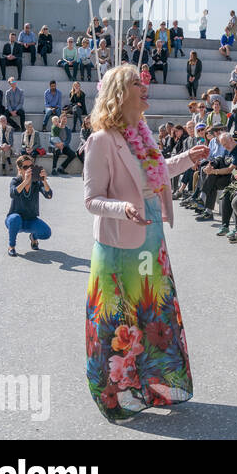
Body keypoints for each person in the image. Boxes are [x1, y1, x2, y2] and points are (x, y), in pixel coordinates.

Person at [82, 65, 209, 421]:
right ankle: (111, 397)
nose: (145, 87)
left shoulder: (141, 134)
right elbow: (91, 199)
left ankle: (152, 387)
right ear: (120, 94)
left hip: (151, 240)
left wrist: (186, 159)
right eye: (138, 83)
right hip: (118, 246)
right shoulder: (101, 140)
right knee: (117, 324)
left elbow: (154, 174)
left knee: (152, 315)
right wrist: (122, 208)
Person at [6, 155, 53, 256]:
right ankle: (11, 246)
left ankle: (33, 237)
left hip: (31, 220)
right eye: (25, 167)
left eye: (30, 166)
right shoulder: (15, 181)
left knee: (46, 233)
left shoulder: (36, 182)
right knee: (15, 218)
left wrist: (44, 181)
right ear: (19, 169)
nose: (28, 169)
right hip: (15, 220)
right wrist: (25, 181)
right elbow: (13, 193)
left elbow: (49, 195)